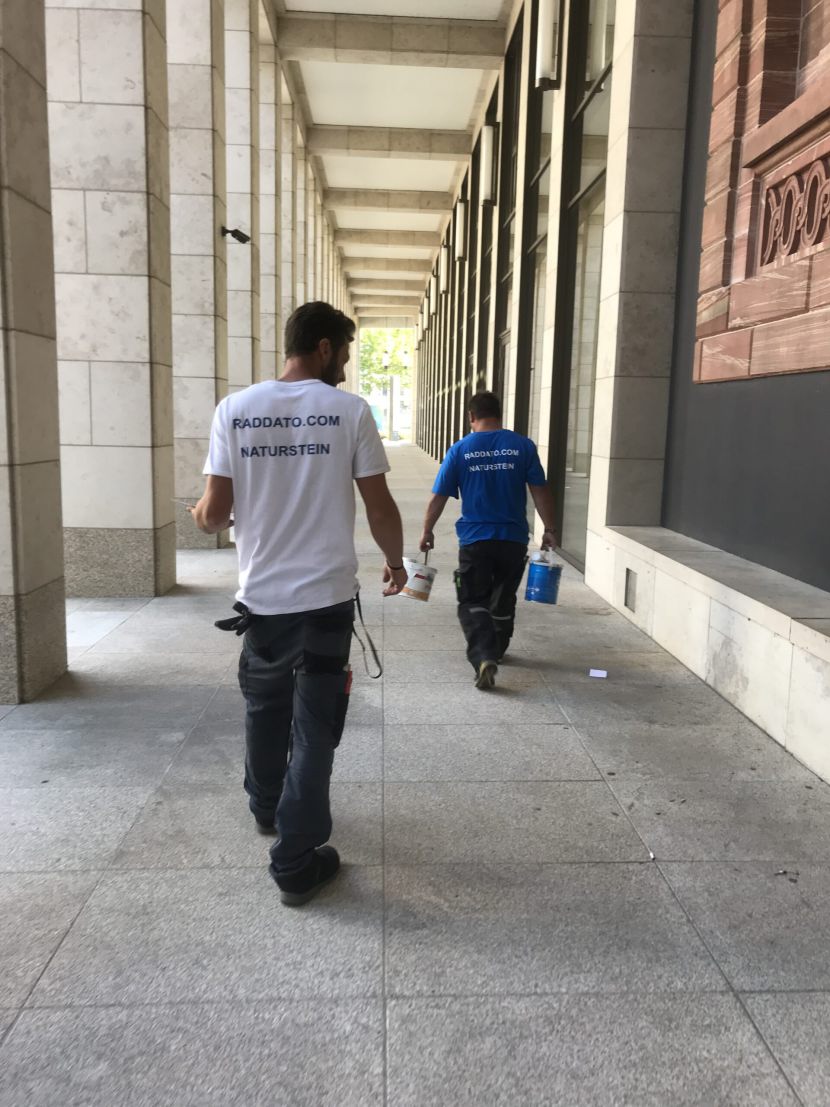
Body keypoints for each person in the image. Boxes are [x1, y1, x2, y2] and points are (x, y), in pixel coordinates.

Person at [192, 301, 407, 906]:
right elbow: (380, 507)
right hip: (325, 601)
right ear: (323, 347)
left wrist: (198, 513)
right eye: (345, 351)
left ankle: (266, 805)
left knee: (264, 707)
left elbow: (213, 516)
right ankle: (294, 861)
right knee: (313, 726)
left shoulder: (234, 409)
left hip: (261, 601)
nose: (346, 365)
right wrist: (395, 563)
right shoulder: (349, 412)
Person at [419, 390, 557, 690]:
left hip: (475, 540)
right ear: (499, 414)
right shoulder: (522, 446)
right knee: (503, 597)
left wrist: (427, 530)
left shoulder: (460, 450)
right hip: (513, 539)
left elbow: (439, 496)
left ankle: (484, 655)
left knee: (472, 600)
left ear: (471, 416)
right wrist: (549, 527)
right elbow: (540, 489)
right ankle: (499, 649)